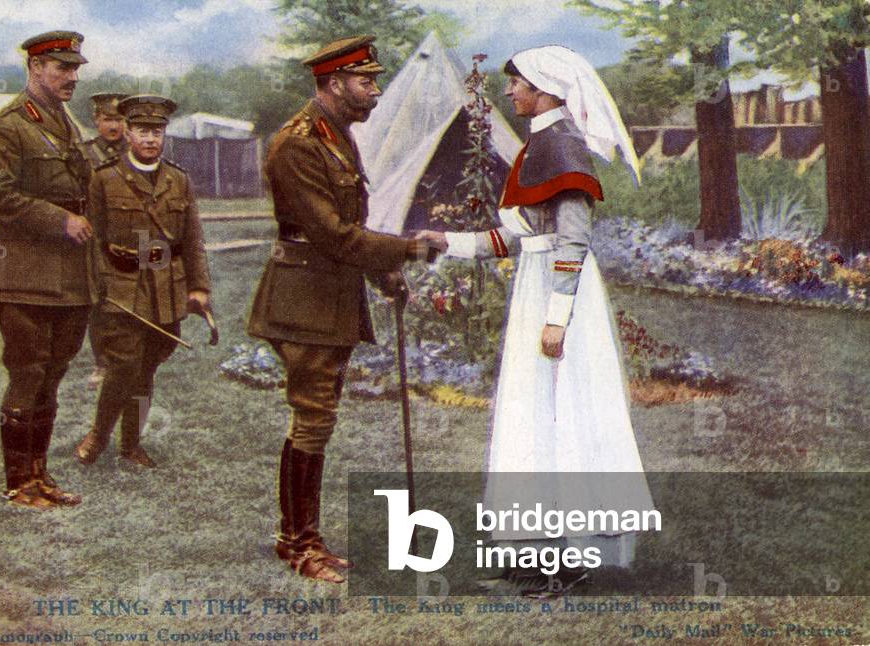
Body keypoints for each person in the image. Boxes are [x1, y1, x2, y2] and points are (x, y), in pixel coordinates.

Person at [416, 45, 655, 595]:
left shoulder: (563, 146)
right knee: (532, 414)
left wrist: (557, 318)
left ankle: (572, 558)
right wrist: (444, 241)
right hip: (537, 285)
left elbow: (572, 238)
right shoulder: (537, 147)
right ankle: (535, 551)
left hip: (560, 296)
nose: (509, 92)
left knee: (563, 415)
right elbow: (518, 236)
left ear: (545, 88)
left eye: (518, 83)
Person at [248, 35, 443, 583]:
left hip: (327, 293)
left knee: (317, 417)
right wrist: (405, 249)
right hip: (303, 297)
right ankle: (299, 543)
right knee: (312, 417)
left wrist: (383, 273)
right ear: (334, 84)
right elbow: (332, 235)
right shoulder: (298, 143)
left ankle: (302, 537)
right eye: (366, 82)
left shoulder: (336, 137)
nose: (375, 92)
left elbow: (347, 225)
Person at [0, 30, 94, 509]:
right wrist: (59, 219)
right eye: (62, 68)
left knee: (53, 374)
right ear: (34, 68)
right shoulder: (8, 125)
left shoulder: (64, 122)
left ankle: (39, 474)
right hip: (26, 275)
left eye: (74, 69)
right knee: (28, 373)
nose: (71, 77)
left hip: (69, 276)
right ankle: (18, 483)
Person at [74, 95, 212, 469]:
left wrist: (199, 288)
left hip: (165, 288)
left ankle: (131, 444)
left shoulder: (178, 180)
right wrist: (98, 284)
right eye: (141, 131)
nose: (150, 139)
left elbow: (192, 240)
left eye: (157, 132)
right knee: (123, 365)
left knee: (148, 367)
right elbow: (94, 239)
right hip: (121, 287)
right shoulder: (104, 178)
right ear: (129, 133)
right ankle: (99, 435)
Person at [82, 92, 129, 389]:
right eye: (108, 119)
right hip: (94, 239)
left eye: (119, 119)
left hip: (128, 235)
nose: (114, 125)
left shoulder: (136, 152)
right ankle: (101, 363)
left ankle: (127, 358)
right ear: (97, 120)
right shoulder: (84, 154)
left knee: (129, 297)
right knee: (99, 302)